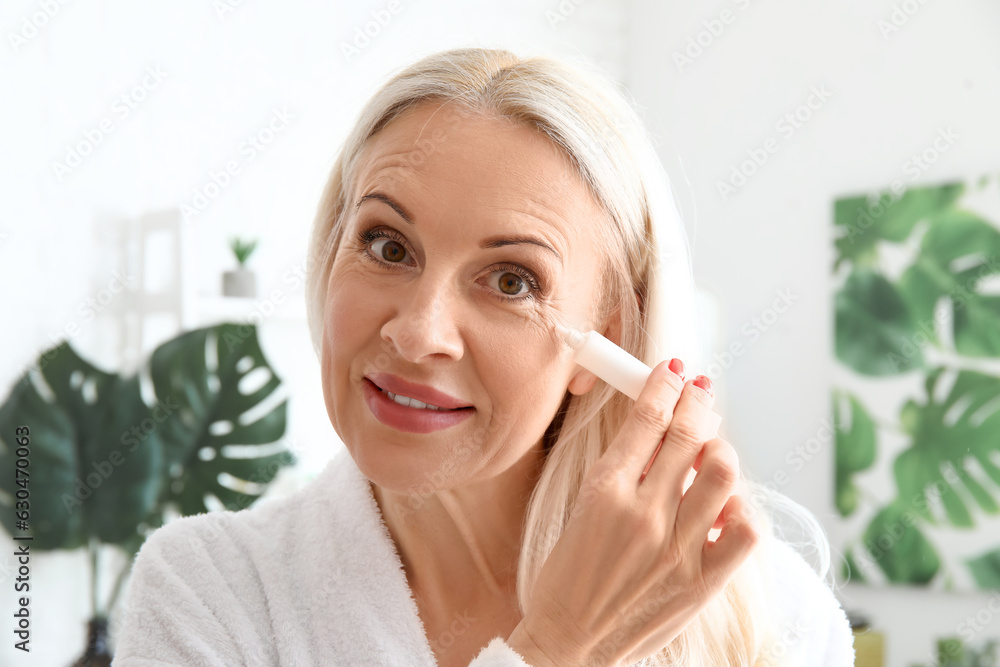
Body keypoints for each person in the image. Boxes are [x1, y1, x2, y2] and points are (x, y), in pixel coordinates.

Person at [113, 47, 855, 666]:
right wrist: (556, 645)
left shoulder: (774, 618)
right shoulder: (211, 593)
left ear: (613, 337)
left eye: (511, 281)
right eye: (387, 245)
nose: (416, 331)